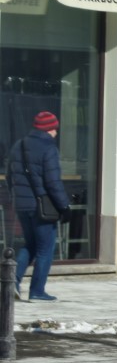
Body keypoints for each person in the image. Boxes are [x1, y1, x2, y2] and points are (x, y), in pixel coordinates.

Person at [6, 111, 70, 301]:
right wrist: (64, 206)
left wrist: (17, 198)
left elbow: (10, 178)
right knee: (45, 249)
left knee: (30, 244)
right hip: (42, 207)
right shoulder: (48, 148)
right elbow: (53, 182)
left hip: (22, 205)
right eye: (54, 129)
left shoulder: (20, 145)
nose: (56, 133)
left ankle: (12, 284)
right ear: (48, 129)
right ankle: (37, 291)